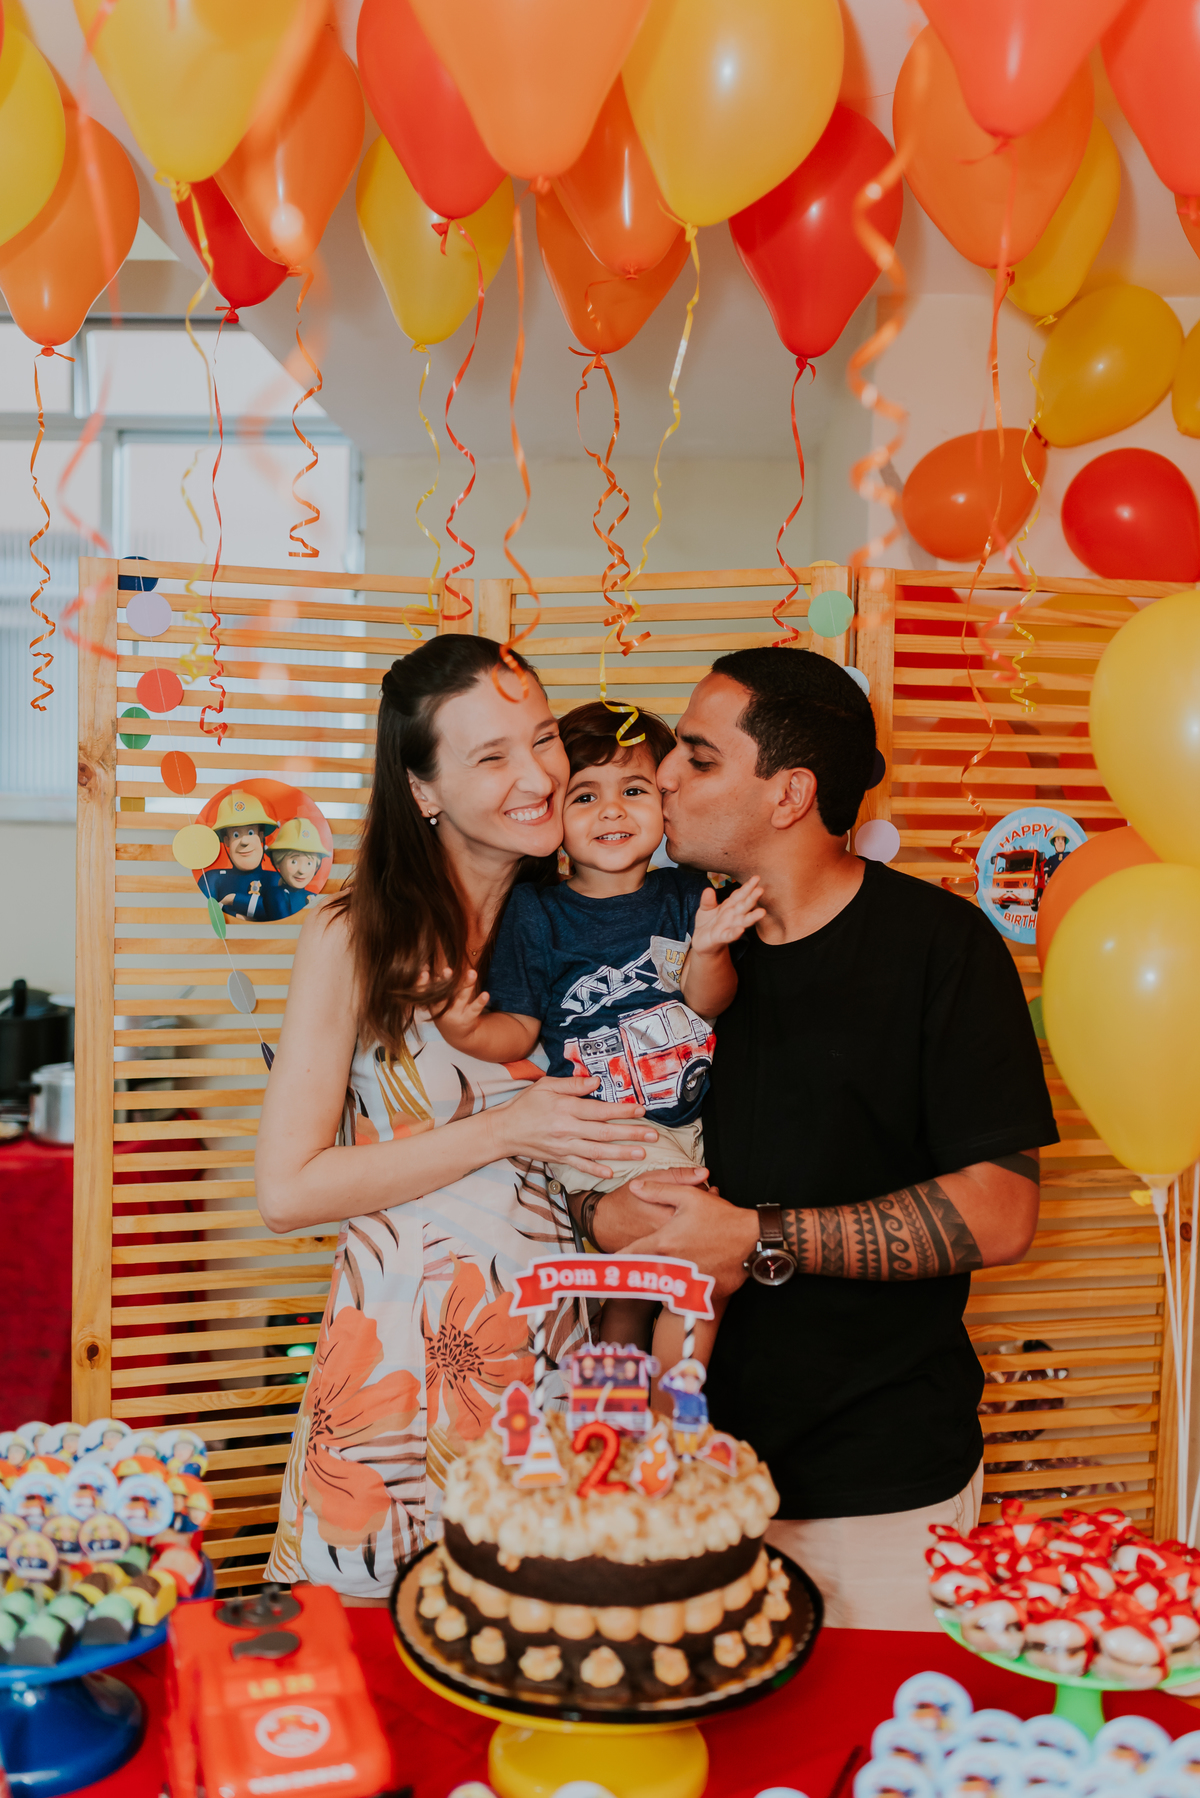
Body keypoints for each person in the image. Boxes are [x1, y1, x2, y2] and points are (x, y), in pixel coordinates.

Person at [584, 647, 1058, 1630]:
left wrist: (753, 1236)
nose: (663, 774)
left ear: (790, 793)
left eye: (700, 757)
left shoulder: (941, 948)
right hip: (681, 1478)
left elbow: (1001, 1212)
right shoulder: (673, 946)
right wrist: (604, 1210)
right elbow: (601, 1141)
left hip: (877, 1492)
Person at [257, 637, 661, 1603]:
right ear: (423, 788)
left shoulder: (588, 918)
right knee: (377, 1649)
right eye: (491, 757)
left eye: (543, 740)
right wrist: (503, 1130)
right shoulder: (357, 935)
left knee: (539, 1633)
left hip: (556, 1341)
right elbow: (288, 1190)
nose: (539, 777)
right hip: (398, 1354)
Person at [437, 700, 764, 1373]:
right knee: (700, 1273)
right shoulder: (538, 912)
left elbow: (709, 1004)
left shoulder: (687, 893)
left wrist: (708, 950)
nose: (612, 811)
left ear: (665, 803)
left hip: (690, 1123)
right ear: (552, 815)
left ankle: (615, 1413)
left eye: (634, 790)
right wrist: (466, 1027)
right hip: (601, 1131)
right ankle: (672, 1416)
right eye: (586, 796)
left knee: (637, 1287)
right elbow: (518, 1033)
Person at [199, 791, 281, 920]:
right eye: (236, 835)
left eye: (250, 832)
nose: (244, 841)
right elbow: (204, 914)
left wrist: (232, 899)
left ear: (260, 836)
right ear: (227, 841)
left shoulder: (276, 880)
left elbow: (278, 912)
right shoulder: (212, 880)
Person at [262, 815, 330, 920]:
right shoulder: (276, 895)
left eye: (309, 863)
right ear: (277, 861)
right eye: (294, 861)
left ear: (317, 865)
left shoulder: (314, 897)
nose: (302, 871)